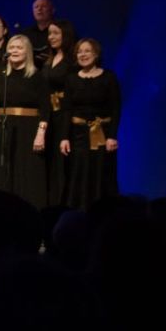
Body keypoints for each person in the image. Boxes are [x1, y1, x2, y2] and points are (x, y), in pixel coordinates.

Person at [59, 38, 121, 209]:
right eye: (79, 51)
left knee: (101, 173)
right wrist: (64, 138)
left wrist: (112, 137)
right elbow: (67, 110)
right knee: (79, 173)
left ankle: (102, 213)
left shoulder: (108, 77)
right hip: (78, 135)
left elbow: (115, 109)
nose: (83, 54)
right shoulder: (71, 79)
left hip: (102, 134)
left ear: (96, 54)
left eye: (87, 51)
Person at [0, 34, 50, 209]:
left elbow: (46, 107)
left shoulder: (37, 77)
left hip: (28, 129)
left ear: (28, 52)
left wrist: (41, 133)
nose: (14, 51)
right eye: (11, 47)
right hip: (4, 126)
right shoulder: (1, 76)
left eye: (19, 47)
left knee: (27, 173)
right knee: (5, 171)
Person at [42, 21, 76, 204]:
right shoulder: (50, 58)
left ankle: (65, 203)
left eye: (55, 33)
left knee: (63, 162)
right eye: (49, 34)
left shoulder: (71, 61)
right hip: (50, 114)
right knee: (51, 162)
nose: (51, 37)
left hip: (64, 113)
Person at [26, 0, 77, 64]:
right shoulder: (26, 33)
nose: (39, 9)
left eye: (43, 6)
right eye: (36, 7)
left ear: (52, 10)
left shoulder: (63, 28)